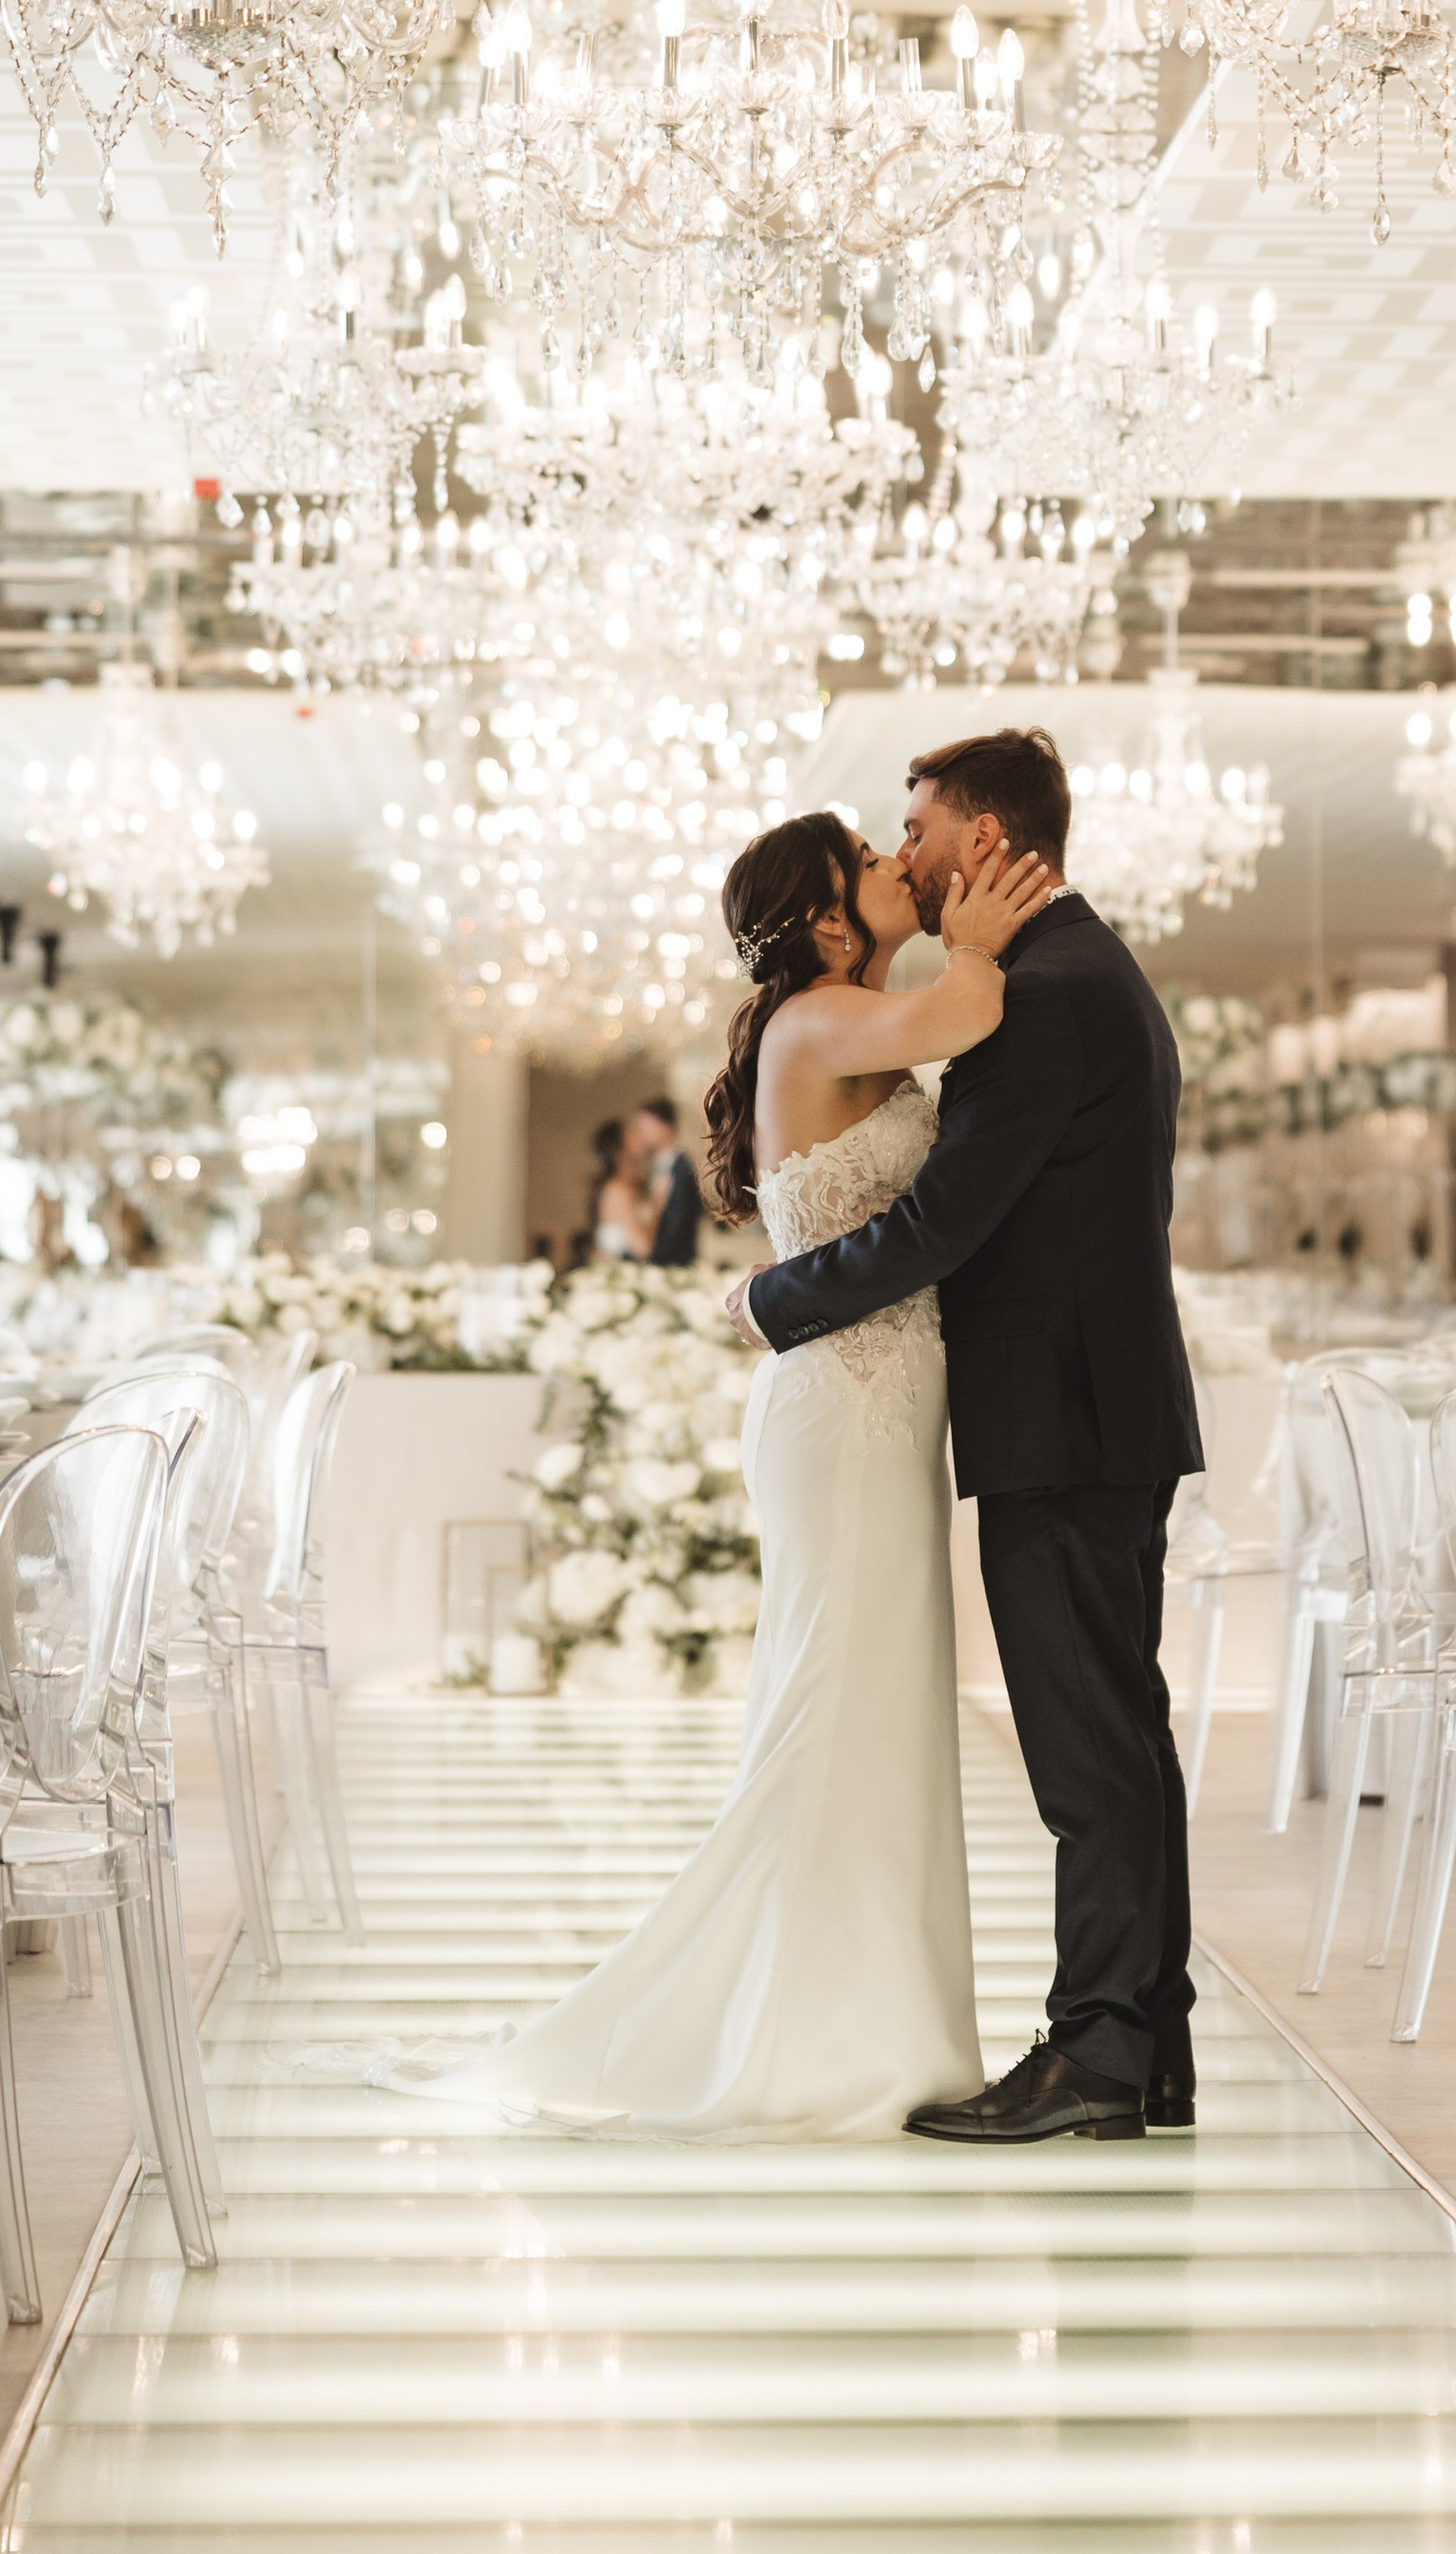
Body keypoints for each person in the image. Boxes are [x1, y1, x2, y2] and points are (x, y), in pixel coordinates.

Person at [392, 809, 1055, 2139]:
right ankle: (807, 2034)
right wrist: (976, 935)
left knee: (878, 1709)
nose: (893, 869)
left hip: (870, 1405)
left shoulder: (831, 1016)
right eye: (869, 862)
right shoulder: (816, 1020)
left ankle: (869, 2019)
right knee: (836, 1707)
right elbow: (971, 1009)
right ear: (820, 920)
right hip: (845, 1413)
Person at [730, 727, 1200, 2145]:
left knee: (1088, 1751)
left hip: (1061, 1420)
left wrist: (771, 1300)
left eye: (918, 824)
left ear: (985, 836)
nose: (909, 849)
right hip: (1080, 1411)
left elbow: (944, 1223)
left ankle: (1103, 2055)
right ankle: (1137, 2045)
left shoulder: (1040, 994)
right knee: (1115, 1737)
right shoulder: (1067, 970)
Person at [631, 1096, 703, 1266]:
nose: (641, 1134)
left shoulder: (683, 1168)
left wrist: (656, 1258)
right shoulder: (652, 1167)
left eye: (646, 1127)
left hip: (674, 1262)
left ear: (665, 1127)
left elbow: (680, 1223)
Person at [588, 1117, 651, 1262]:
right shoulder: (617, 1191)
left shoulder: (632, 1185)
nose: (639, 1136)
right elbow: (643, 1248)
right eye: (631, 1133)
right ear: (619, 1148)